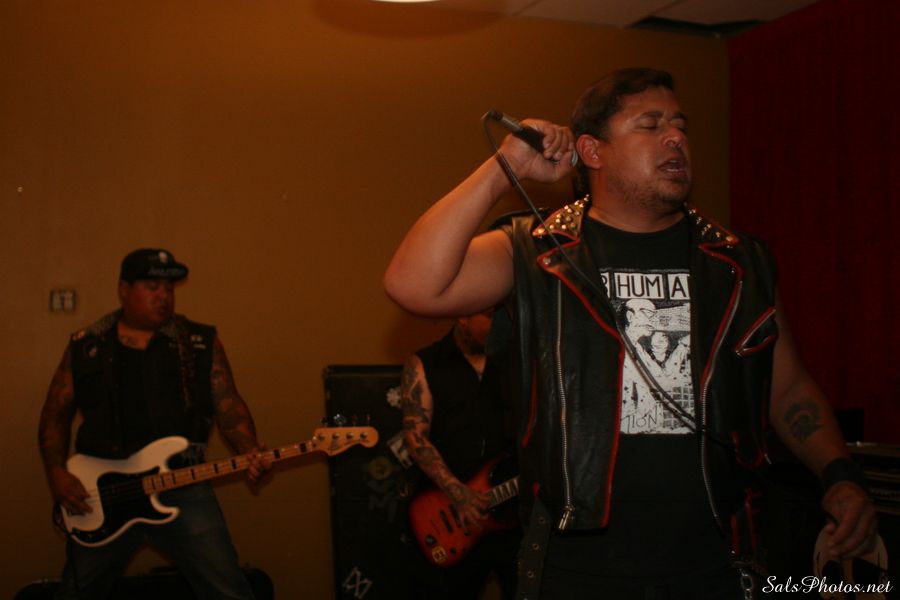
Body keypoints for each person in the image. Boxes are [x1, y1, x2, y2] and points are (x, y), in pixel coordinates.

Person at [383, 68, 877, 598]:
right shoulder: (537, 252)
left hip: (719, 561)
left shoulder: (739, 263)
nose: (675, 137)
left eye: (680, 124)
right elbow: (413, 285)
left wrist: (839, 475)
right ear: (592, 151)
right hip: (574, 570)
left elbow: (788, 389)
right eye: (650, 124)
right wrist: (506, 168)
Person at [38, 248, 269, 600]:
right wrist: (56, 473)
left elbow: (228, 404)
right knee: (78, 592)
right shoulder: (87, 346)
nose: (163, 296)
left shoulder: (199, 342)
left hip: (184, 486)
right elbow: (55, 413)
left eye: (169, 289)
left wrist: (249, 449)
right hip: (103, 493)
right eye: (152, 287)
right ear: (124, 289)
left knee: (228, 590)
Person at [400, 309, 519, 599]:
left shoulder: (513, 362)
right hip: (448, 515)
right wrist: (457, 492)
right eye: (489, 317)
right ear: (463, 317)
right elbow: (416, 438)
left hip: (511, 509)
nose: (498, 324)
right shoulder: (426, 362)